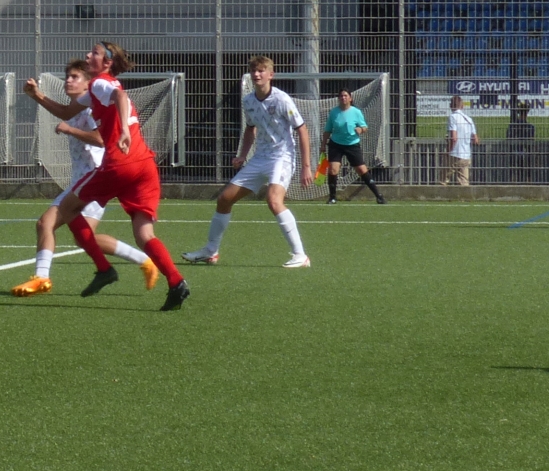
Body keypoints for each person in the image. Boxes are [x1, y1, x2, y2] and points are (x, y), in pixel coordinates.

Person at [30, 42, 190, 310]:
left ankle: (104, 269)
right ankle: (176, 282)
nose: (88, 55)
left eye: (94, 53)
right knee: (144, 234)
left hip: (120, 164)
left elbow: (119, 96)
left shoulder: (99, 83)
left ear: (107, 63)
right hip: (145, 166)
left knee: (67, 209)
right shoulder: (95, 91)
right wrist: (37, 95)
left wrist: (124, 131)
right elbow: (67, 112)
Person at [12, 58, 157, 297]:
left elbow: (101, 139)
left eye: (75, 77)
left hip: (96, 179)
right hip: (83, 180)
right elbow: (62, 111)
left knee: (47, 224)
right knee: (78, 236)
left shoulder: (91, 110)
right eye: (67, 77)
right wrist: (36, 94)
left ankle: (42, 278)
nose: (68, 81)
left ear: (88, 83)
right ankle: (145, 261)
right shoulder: (77, 108)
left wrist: (70, 129)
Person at [184, 55, 314, 269]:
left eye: (261, 70)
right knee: (224, 199)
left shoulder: (282, 99)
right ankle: (210, 251)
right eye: (254, 70)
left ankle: (300, 255)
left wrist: (306, 166)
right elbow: (250, 128)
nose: (256, 74)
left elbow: (302, 129)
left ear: (271, 75)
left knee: (273, 201)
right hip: (260, 157)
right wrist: (243, 155)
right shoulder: (248, 101)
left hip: (281, 157)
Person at [323, 89, 385, 204]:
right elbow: (327, 130)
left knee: (361, 169)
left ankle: (378, 195)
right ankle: (332, 197)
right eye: (341, 96)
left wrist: (361, 129)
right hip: (336, 144)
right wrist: (323, 145)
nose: (343, 98)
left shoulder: (356, 112)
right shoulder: (334, 112)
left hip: (352, 145)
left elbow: (365, 127)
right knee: (333, 169)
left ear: (350, 98)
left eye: (345, 96)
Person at [443, 94, 478, 188]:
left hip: (455, 153)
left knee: (444, 178)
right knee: (464, 182)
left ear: (450, 105)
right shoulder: (469, 119)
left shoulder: (453, 117)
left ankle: (438, 194)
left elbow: (454, 138)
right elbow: (475, 140)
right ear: (462, 106)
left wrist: (448, 151)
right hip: (466, 154)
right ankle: (464, 196)